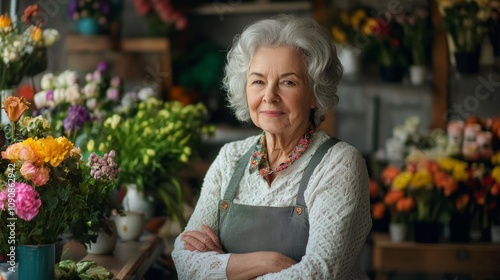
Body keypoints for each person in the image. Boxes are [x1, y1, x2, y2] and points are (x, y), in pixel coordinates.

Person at [172, 14, 372, 279]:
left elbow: (320, 273)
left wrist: (221, 268)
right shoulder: (230, 158)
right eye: (258, 81)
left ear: (314, 93)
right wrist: (264, 262)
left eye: (288, 82)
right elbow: (184, 259)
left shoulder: (339, 163)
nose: (269, 96)